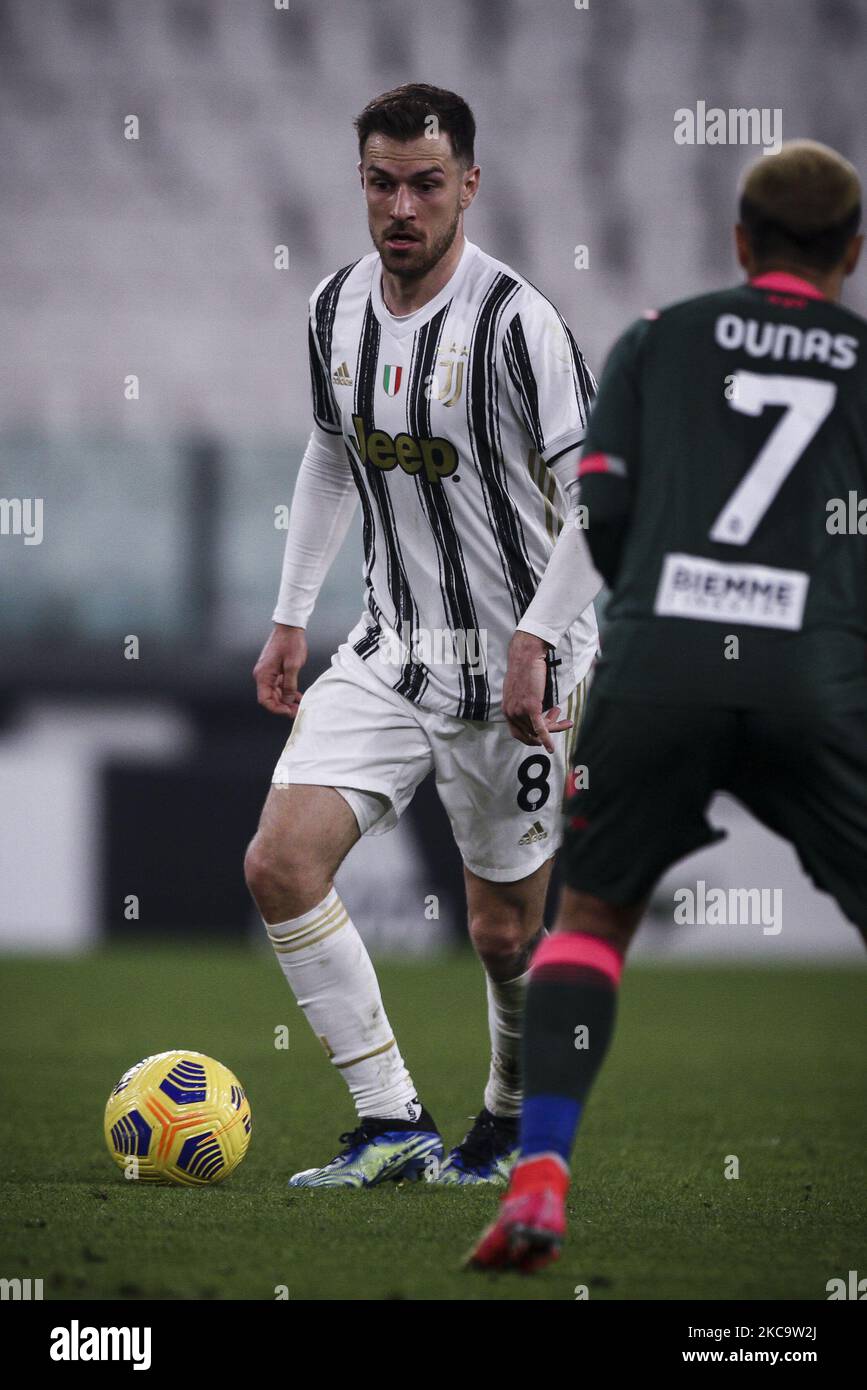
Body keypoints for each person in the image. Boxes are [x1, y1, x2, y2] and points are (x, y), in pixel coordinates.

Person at [469, 138, 867, 1268]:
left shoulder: (656, 338)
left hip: (660, 665)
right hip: (814, 672)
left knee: (589, 924)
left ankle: (539, 1180)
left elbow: (596, 515)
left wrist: (654, 595)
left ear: (740, 242)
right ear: (853, 253)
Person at [244, 84, 602, 1187]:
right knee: (279, 864)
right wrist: (293, 611)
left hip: (520, 668)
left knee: (502, 934)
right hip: (392, 650)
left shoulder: (518, 322)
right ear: (362, 183)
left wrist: (538, 637)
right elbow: (325, 454)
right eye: (382, 182)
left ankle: (499, 1119)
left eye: (426, 184)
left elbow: (600, 502)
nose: (402, 205)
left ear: (469, 188)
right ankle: (392, 1121)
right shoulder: (333, 309)